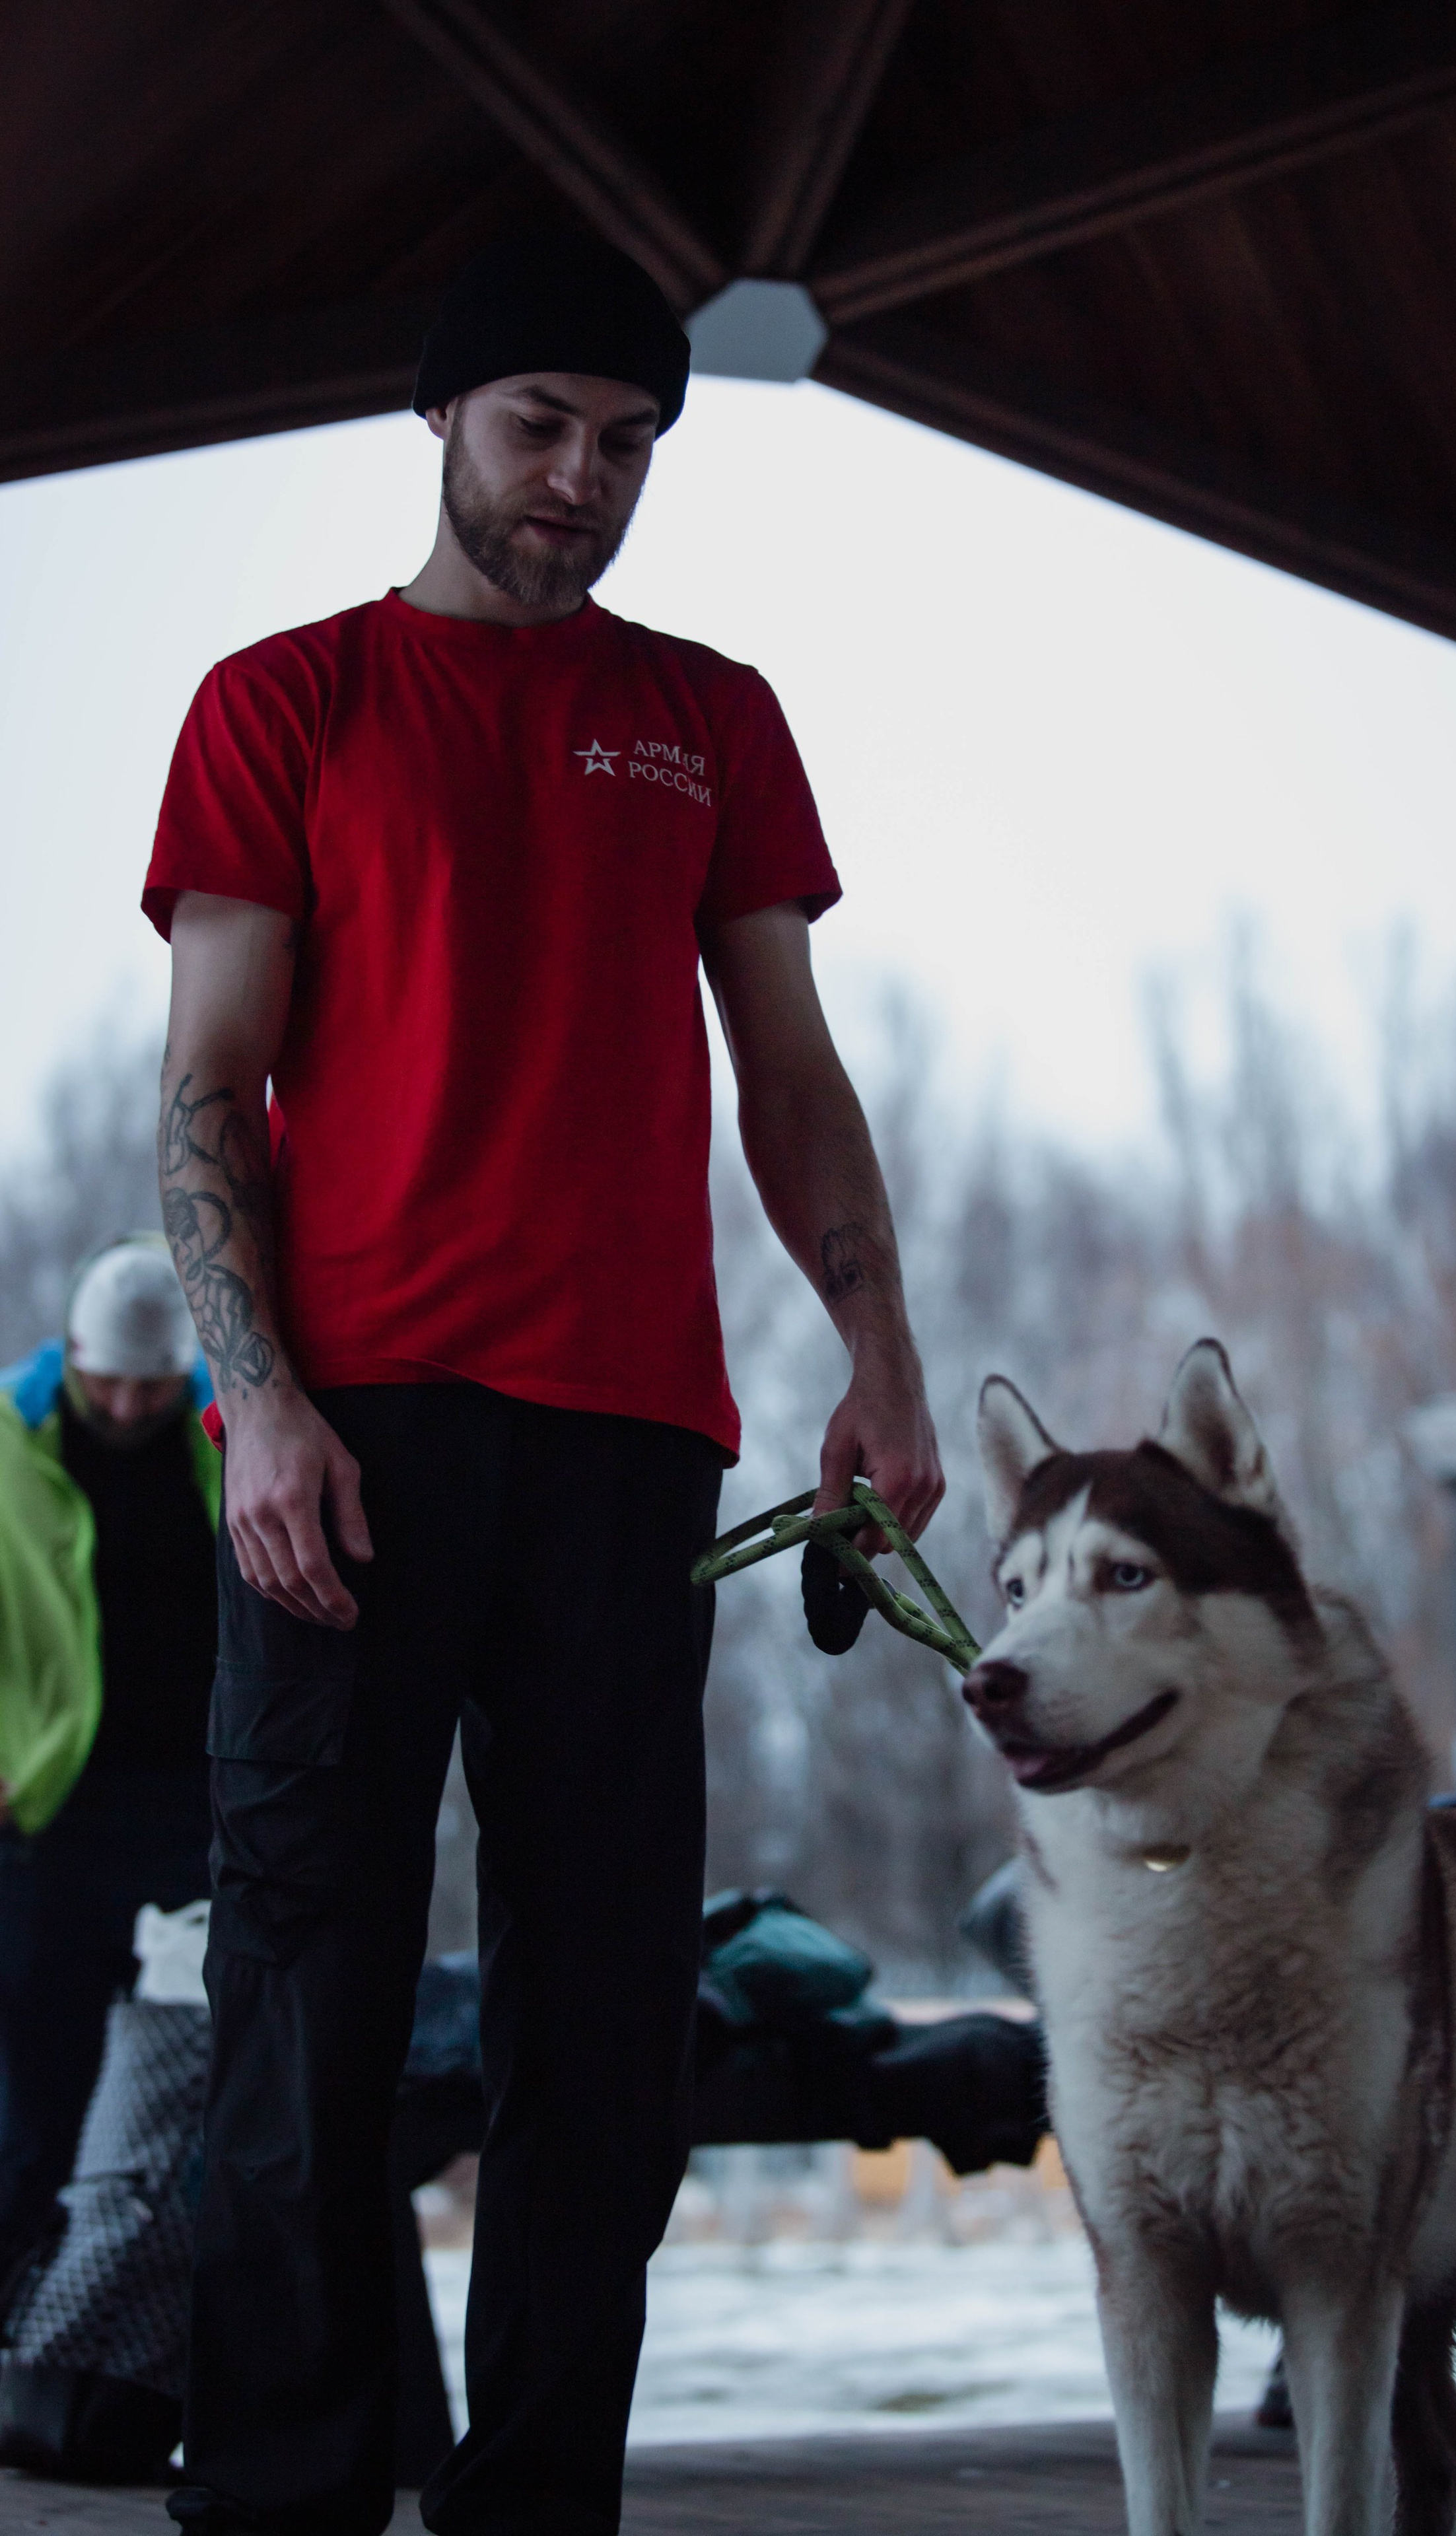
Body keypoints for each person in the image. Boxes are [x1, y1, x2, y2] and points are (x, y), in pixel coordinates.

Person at [143, 227, 944, 2536]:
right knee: (308, 2011)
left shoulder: (710, 716)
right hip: (352, 1441)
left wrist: (878, 1341)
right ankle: (285, 2498)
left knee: (604, 2039)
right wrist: (258, 1397)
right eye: (538, 432)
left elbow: (790, 1074)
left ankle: (539, 2511)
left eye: (625, 447)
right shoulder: (284, 701)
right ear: (442, 422)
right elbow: (207, 1088)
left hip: (631, 1449)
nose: (579, 482)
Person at [0, 1234, 218, 2282]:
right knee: (41, 2084)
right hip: (47, 1806)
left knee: (190, 2087)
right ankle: (21, 2340)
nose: (129, 1409)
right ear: (71, 1359)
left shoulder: (224, 1434)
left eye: (152, 1389)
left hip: (194, 1803)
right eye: (107, 1387)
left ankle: (138, 2336)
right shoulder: (9, 1442)